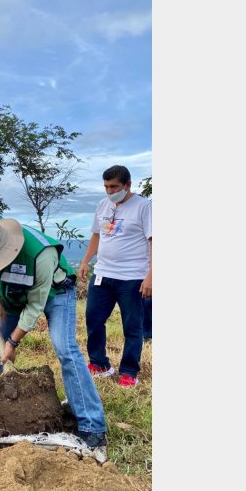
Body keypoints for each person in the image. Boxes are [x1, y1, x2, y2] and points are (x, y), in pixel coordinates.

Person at [0, 219, 109, 449]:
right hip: (14, 293)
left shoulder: (41, 255)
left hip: (56, 293)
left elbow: (34, 308)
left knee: (65, 349)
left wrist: (12, 342)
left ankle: (92, 425)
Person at [79, 165, 152, 388]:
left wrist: (151, 277)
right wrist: (85, 261)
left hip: (132, 277)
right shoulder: (103, 205)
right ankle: (99, 364)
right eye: (106, 187)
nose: (110, 192)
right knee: (93, 319)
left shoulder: (144, 207)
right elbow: (96, 236)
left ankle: (129, 372)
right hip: (103, 274)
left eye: (114, 187)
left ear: (128, 185)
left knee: (132, 326)